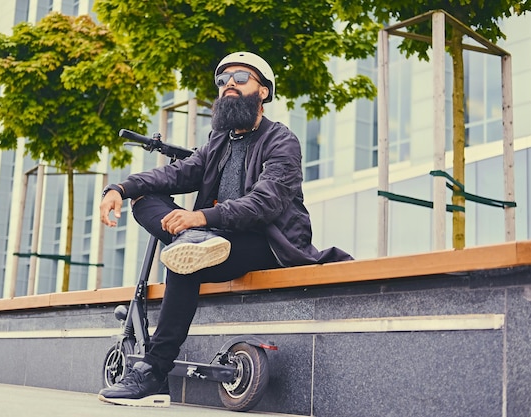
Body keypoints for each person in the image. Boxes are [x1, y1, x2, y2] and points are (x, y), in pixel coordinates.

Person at [97, 51, 354, 407]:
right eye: (222, 81)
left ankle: (154, 372)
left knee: (185, 262)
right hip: (210, 239)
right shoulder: (219, 141)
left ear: (263, 92)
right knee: (147, 200)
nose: (228, 84)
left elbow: (266, 203)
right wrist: (119, 189)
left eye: (239, 78)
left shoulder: (281, 141)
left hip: (265, 243)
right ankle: (189, 243)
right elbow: (175, 174)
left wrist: (200, 219)